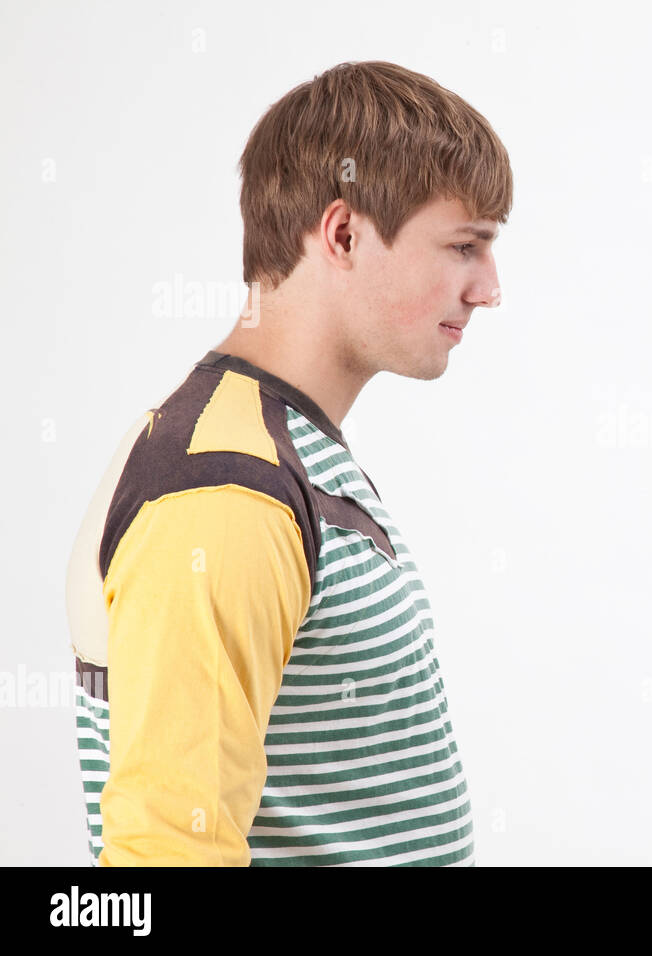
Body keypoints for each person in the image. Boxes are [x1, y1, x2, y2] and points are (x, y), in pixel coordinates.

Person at [63, 60, 510, 866]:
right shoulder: (227, 487)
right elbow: (169, 853)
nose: (489, 287)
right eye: (463, 246)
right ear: (342, 234)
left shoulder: (281, 454)